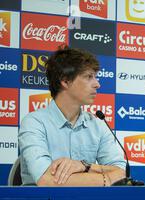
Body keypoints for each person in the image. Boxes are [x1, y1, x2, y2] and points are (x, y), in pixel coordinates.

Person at [18, 46, 126, 186]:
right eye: (89, 77)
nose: (97, 84)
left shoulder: (98, 124)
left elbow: (121, 173)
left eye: (95, 77)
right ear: (65, 81)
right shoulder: (34, 122)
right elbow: (46, 181)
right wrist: (107, 179)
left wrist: (85, 166)